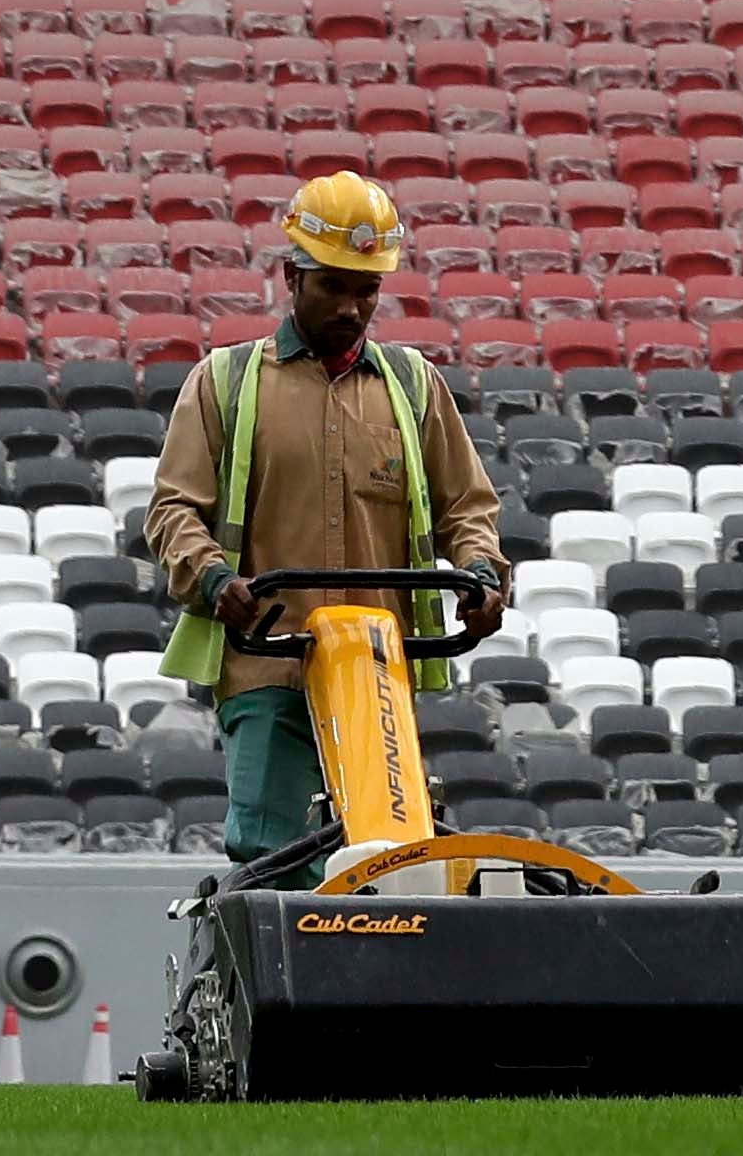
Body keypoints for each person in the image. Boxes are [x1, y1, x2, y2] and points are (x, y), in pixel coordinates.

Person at [140, 172, 507, 865]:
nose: (350, 306)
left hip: (378, 670)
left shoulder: (413, 387)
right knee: (276, 851)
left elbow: (468, 506)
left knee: (386, 857)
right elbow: (174, 509)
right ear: (292, 275)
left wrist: (482, 574)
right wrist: (216, 579)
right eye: (333, 286)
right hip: (269, 664)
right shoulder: (225, 383)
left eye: (366, 290)